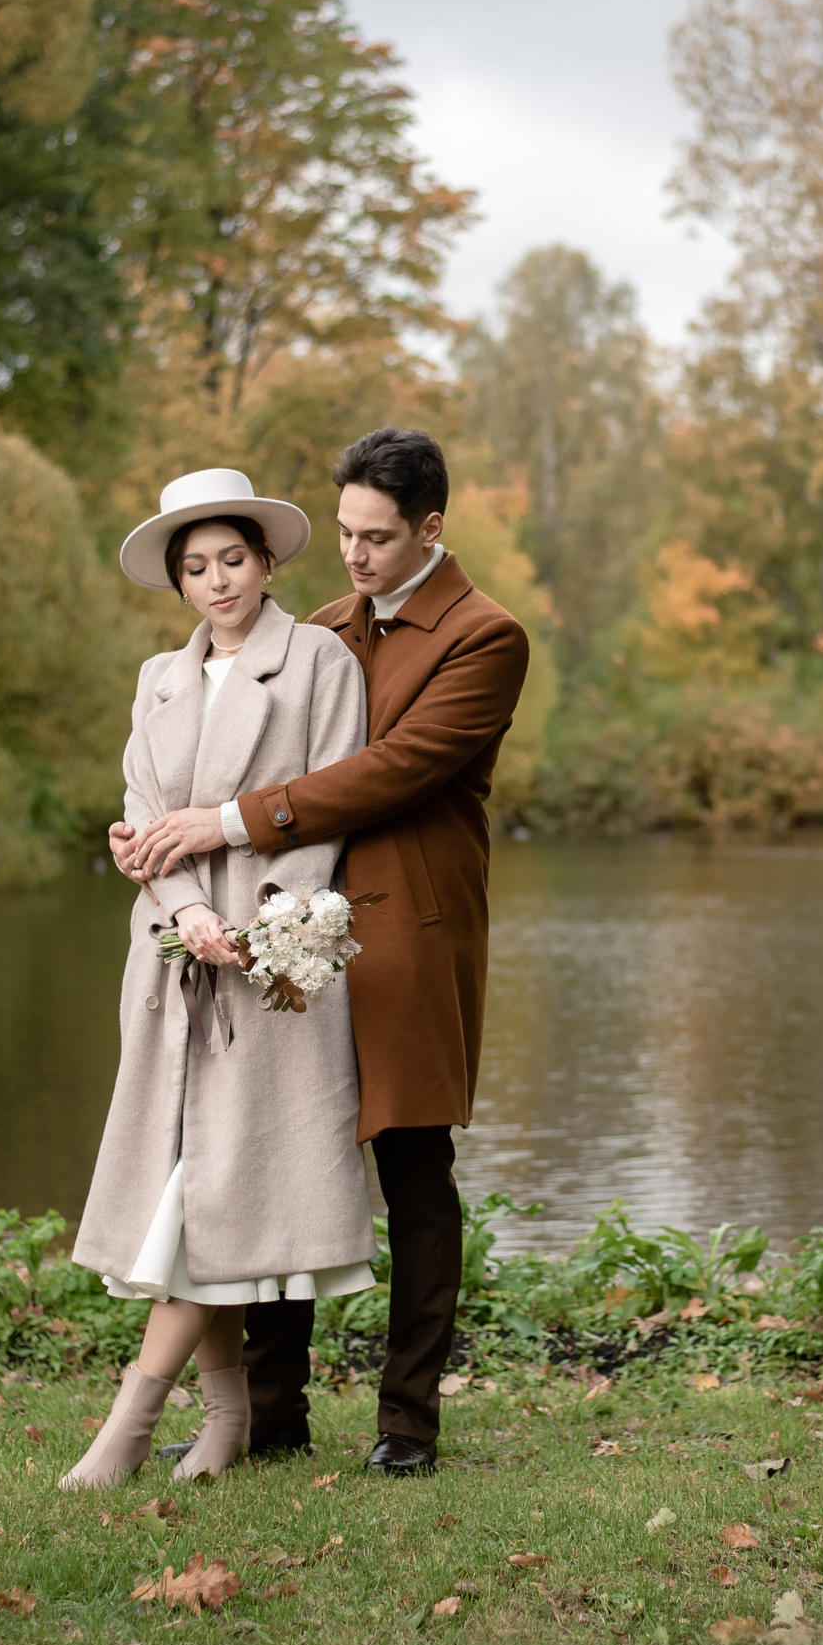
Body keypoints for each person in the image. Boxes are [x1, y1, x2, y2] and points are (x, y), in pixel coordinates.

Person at [126, 427, 530, 1476]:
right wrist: (160, 833)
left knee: (414, 1167)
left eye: (378, 537)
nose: (353, 555)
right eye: (344, 533)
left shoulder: (487, 637)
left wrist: (224, 821)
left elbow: (393, 771)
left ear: (430, 529)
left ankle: (407, 1422)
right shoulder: (318, 626)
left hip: (403, 931)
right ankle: (271, 1411)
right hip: (283, 916)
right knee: (269, 1152)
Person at [58, 467, 376, 1491]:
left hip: (270, 966)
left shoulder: (321, 661)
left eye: (231, 559)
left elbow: (331, 796)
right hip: (168, 960)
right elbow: (143, 807)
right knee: (185, 1191)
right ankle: (230, 1416)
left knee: (218, 1196)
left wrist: (256, 924)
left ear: (269, 560)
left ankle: (131, 1422)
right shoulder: (158, 677)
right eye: (194, 567)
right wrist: (185, 909)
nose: (215, 581)